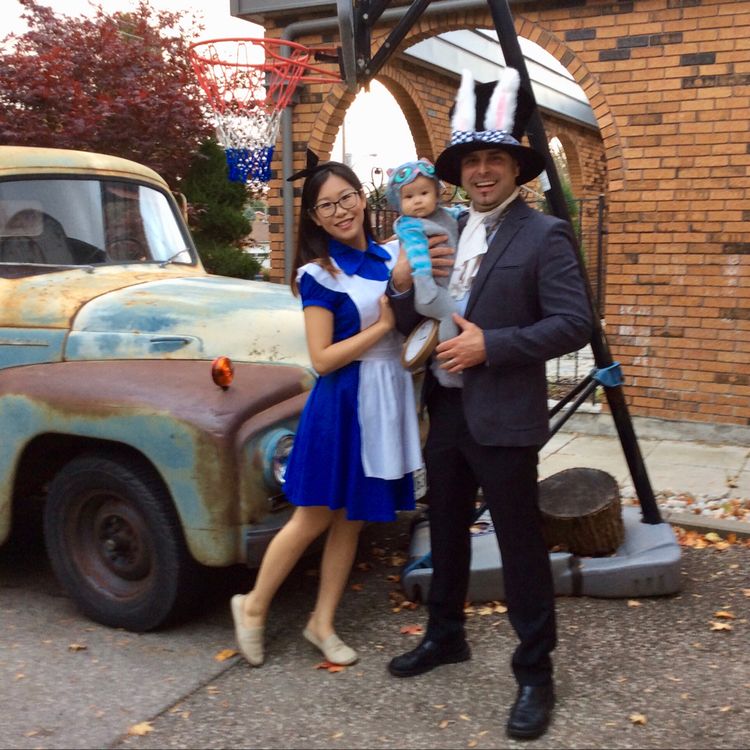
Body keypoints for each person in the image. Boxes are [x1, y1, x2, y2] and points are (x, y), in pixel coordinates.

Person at [386, 67, 593, 741]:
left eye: (493, 160)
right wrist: (398, 286)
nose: (481, 171)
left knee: (519, 547)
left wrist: (491, 346)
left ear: (516, 169)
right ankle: (446, 636)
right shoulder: (443, 229)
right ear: (460, 171)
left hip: (504, 415)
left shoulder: (545, 235)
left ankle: (536, 674)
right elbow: (409, 313)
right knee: (441, 530)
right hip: (445, 411)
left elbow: (574, 324)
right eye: (471, 160)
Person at [231, 149, 423, 669]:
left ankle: (321, 622)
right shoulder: (321, 275)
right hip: (343, 402)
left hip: (386, 397)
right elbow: (321, 358)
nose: (341, 211)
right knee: (313, 516)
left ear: (363, 198)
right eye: (326, 206)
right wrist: (381, 329)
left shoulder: (388, 257)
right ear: (313, 218)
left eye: (347, 198)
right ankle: (252, 606)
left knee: (352, 520)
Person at [385, 158, 463, 346]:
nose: (417, 201)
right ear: (399, 202)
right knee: (448, 314)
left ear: (436, 194)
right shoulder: (411, 227)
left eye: (424, 193)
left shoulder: (442, 214)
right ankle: (449, 353)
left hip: (447, 284)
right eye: (409, 197)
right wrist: (428, 289)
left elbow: (458, 213)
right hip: (429, 291)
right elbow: (418, 260)